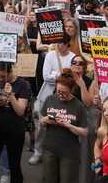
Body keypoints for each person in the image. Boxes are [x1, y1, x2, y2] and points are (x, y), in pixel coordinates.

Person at [0, 61, 31, 183]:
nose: (1, 79)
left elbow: (20, 111)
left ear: (10, 72)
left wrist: (11, 95)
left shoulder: (22, 85)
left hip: (14, 131)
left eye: (3, 76)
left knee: (14, 164)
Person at [39, 72, 88, 183]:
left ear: (72, 89)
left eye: (64, 93)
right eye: (58, 91)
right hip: (50, 148)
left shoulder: (78, 106)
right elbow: (42, 122)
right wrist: (45, 120)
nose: (61, 95)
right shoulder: (50, 99)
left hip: (69, 153)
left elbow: (84, 132)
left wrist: (68, 125)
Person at [30, 34, 75, 165]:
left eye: (61, 43)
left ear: (67, 44)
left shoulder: (72, 57)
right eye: (57, 43)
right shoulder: (50, 56)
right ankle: (38, 152)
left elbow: (71, 79)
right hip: (47, 95)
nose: (58, 45)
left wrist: (56, 75)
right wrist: (60, 75)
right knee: (42, 126)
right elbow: (46, 77)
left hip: (65, 96)